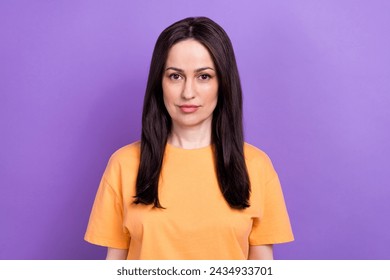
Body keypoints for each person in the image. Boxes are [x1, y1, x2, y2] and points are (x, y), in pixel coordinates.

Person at [84, 16, 294, 260]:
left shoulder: (256, 166)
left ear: (223, 83)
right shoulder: (124, 164)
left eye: (204, 76)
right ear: (159, 83)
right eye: (175, 76)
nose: (188, 92)